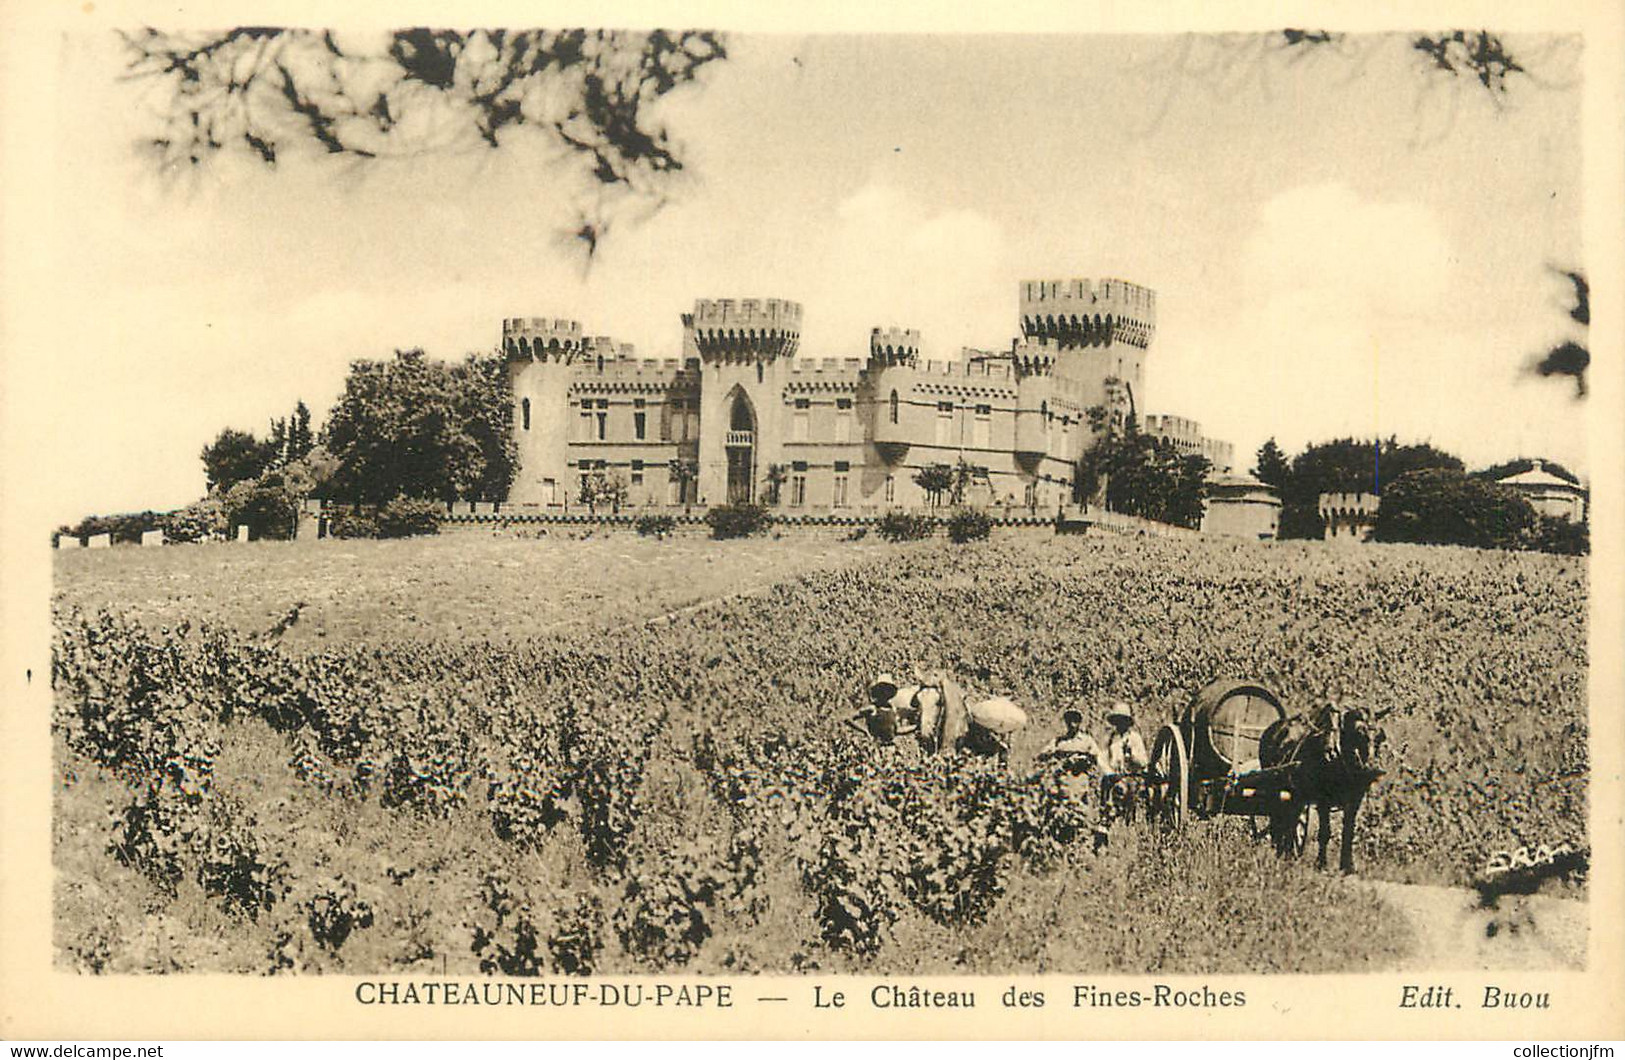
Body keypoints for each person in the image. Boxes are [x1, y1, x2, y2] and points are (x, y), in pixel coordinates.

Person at [1038, 708, 1104, 774]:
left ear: (1079, 722)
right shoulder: (1058, 741)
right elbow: (1042, 756)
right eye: (1069, 720)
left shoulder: (1087, 740)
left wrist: (1082, 759)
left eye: (1075, 721)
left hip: (1081, 777)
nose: (1072, 724)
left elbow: (1097, 757)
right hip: (1061, 777)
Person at [1102, 701, 1148, 774]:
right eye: (1118, 719)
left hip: (1132, 778)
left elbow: (1143, 762)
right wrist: (1110, 773)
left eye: (1123, 719)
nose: (1120, 722)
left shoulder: (1135, 738)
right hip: (1115, 778)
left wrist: (1132, 755)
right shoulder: (1111, 738)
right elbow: (1103, 760)